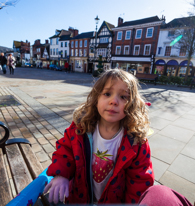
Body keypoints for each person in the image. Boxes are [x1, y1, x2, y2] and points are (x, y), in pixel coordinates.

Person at [44, 69, 154, 205]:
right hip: (79, 199)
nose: (114, 101)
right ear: (96, 98)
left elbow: (139, 181)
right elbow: (65, 151)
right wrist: (61, 175)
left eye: (123, 97)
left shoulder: (136, 141)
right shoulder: (80, 128)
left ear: (132, 104)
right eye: (107, 94)